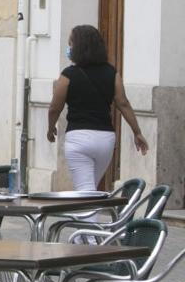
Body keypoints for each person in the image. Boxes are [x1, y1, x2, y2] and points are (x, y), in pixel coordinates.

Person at [46, 23, 148, 191]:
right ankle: (82, 216)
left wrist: (51, 129)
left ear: (78, 47)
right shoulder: (111, 72)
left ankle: (85, 217)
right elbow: (123, 103)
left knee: (86, 191)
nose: (69, 47)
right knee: (89, 188)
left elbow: (54, 108)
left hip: (78, 139)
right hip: (105, 140)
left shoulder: (68, 75)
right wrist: (137, 132)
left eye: (71, 43)